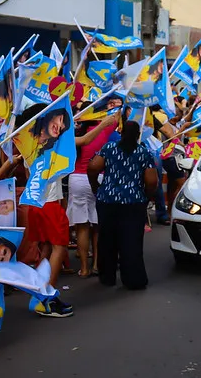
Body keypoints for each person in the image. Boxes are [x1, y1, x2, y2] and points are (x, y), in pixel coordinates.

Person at [87, 121, 158, 290]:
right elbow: (152, 181)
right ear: (137, 135)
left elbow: (92, 167)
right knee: (131, 241)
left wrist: (96, 187)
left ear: (121, 132)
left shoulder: (109, 148)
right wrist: (147, 197)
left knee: (107, 240)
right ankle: (133, 279)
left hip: (108, 200)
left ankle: (107, 277)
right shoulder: (143, 152)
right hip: (133, 202)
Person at [68, 113, 120, 278]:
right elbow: (117, 116)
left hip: (76, 179)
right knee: (97, 226)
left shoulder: (73, 133)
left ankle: (84, 268)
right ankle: (97, 264)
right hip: (98, 178)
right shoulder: (104, 130)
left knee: (82, 226)